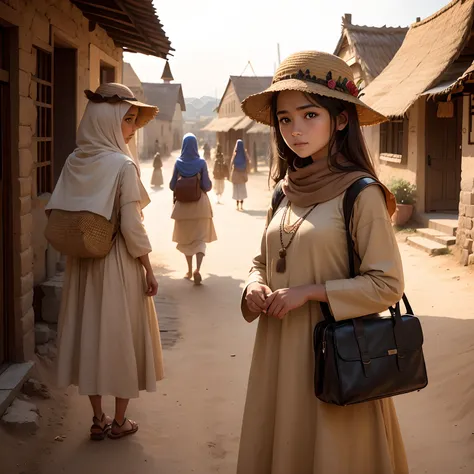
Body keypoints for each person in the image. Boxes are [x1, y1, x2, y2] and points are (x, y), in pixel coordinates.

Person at [237, 51, 408, 474]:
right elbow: (263, 261)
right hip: (278, 357)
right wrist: (253, 287)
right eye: (284, 119)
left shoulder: (360, 193)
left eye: (310, 114)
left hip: (336, 361)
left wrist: (310, 293)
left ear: (342, 120)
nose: (295, 130)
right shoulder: (284, 190)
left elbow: (387, 284)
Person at [46, 83, 164, 441]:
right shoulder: (122, 166)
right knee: (121, 340)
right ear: (108, 123)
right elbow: (132, 227)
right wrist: (148, 267)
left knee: (91, 338)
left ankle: (97, 418)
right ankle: (119, 421)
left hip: (83, 266)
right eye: (127, 120)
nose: (131, 129)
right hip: (118, 265)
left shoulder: (74, 160)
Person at [170, 133, 217, 285]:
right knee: (200, 240)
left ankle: (189, 270)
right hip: (200, 207)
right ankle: (198, 269)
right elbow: (207, 186)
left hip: (182, 209)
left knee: (186, 241)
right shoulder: (202, 163)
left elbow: (172, 186)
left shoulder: (178, 163)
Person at [230, 139, 250, 211]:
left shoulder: (235, 154)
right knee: (242, 190)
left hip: (235, 175)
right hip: (242, 175)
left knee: (237, 190)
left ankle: (237, 205)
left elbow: (231, 163)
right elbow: (248, 161)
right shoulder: (244, 153)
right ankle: (241, 205)